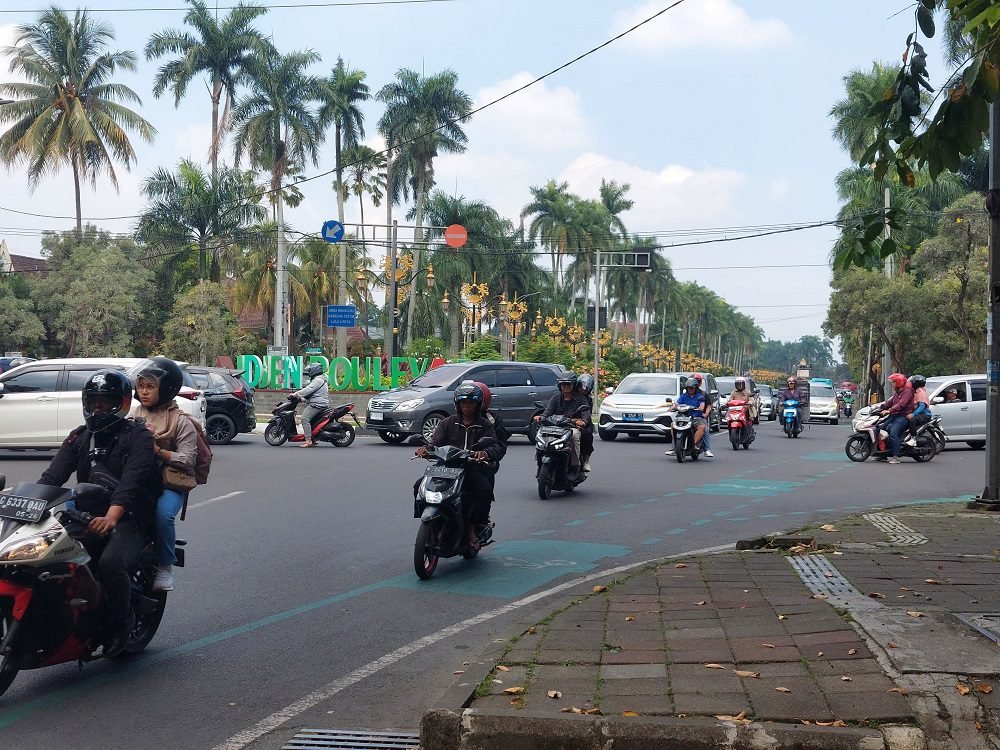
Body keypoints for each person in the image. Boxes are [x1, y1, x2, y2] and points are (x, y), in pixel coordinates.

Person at [37, 370, 159, 658]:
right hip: (85, 515)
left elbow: (131, 482)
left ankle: (121, 623)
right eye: (94, 403)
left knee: (110, 563)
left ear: (122, 403)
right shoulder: (79, 438)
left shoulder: (138, 436)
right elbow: (51, 478)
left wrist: (112, 517)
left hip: (129, 517)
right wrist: (26, 504)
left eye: (106, 403)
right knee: (45, 557)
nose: (98, 409)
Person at [129, 357, 197, 593]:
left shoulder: (181, 421)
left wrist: (158, 451)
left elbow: (188, 460)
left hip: (168, 482)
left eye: (151, 386)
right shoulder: (134, 414)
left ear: (166, 388)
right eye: (141, 386)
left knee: (163, 515)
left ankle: (165, 566)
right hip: (137, 478)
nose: (144, 392)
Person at [415, 382, 504, 548]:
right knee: (419, 485)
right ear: (457, 404)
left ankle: (473, 528)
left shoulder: (485, 425)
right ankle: (431, 518)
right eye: (463, 402)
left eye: (470, 403)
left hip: (471, 468)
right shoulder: (448, 422)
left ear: (478, 404)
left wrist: (484, 453)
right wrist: (425, 450)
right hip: (446, 467)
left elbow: (495, 447)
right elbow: (434, 443)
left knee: (483, 491)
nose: (466, 406)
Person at [534, 372, 591, 470]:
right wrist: (540, 417)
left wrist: (582, 421)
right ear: (560, 385)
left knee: (574, 436)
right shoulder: (555, 398)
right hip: (555, 427)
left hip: (571, 427)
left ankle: (575, 464)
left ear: (574, 385)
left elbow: (585, 414)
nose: (566, 386)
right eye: (563, 384)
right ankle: (539, 459)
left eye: (569, 384)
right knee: (541, 434)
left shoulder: (581, 399)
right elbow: (547, 413)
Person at [666, 376, 712, 457]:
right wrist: (671, 408)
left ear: (696, 387)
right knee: (673, 425)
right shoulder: (683, 396)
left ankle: (699, 447)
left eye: (692, 387)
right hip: (683, 417)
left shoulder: (701, 396)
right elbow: (677, 404)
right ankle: (674, 448)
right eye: (689, 387)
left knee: (702, 427)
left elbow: (704, 405)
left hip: (696, 418)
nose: (690, 389)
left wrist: (701, 409)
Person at [877, 373, 914, 464]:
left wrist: (889, 410)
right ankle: (883, 454)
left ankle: (896, 457)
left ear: (899, 382)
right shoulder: (897, 393)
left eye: (893, 382)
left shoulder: (907, 392)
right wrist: (879, 408)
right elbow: (889, 403)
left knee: (893, 434)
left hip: (903, 417)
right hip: (894, 415)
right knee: (880, 430)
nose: (892, 384)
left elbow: (901, 405)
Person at [293, 362, 329, 447]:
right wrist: (303, 399)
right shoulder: (320, 379)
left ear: (314, 370)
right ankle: (313, 438)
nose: (309, 372)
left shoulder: (318, 380)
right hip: (320, 403)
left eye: (310, 370)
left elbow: (308, 390)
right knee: (312, 421)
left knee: (305, 419)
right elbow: (314, 393)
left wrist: (295, 394)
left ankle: (308, 441)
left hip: (317, 404)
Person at [575, 374, 596, 472]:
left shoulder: (588, 400)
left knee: (587, 435)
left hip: (583, 423)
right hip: (566, 422)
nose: (582, 390)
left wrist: (583, 421)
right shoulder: (568, 395)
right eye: (580, 387)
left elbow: (587, 414)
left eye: (584, 388)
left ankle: (586, 460)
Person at [904, 374, 931, 445]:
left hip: (924, 415)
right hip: (918, 413)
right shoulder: (915, 391)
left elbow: (922, 406)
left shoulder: (921, 393)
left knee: (911, 420)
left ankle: (913, 438)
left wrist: (913, 414)